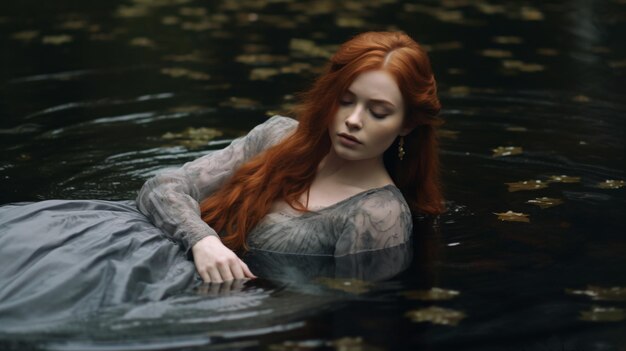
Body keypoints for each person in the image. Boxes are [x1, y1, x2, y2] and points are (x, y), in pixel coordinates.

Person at [0, 31, 443, 328]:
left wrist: (202, 312)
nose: (353, 120)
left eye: (378, 111)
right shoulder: (276, 137)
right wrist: (202, 240)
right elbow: (161, 187)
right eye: (345, 101)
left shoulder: (378, 215)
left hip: (201, 298)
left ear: (406, 125)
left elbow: (329, 302)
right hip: (138, 245)